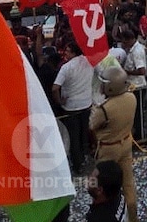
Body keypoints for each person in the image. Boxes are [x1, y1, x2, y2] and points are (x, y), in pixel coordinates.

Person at [91, 66, 138, 222]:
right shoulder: (132, 98)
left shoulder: (104, 108)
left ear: (111, 86)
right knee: (128, 185)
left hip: (108, 148)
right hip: (125, 143)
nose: (102, 86)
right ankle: (132, 217)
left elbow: (92, 126)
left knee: (104, 188)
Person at [53, 42, 93, 174]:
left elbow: (55, 88)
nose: (65, 54)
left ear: (74, 52)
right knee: (83, 133)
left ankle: (78, 164)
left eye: (68, 51)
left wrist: (59, 102)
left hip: (71, 107)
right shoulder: (89, 61)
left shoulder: (66, 67)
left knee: (74, 137)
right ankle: (84, 157)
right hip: (86, 104)